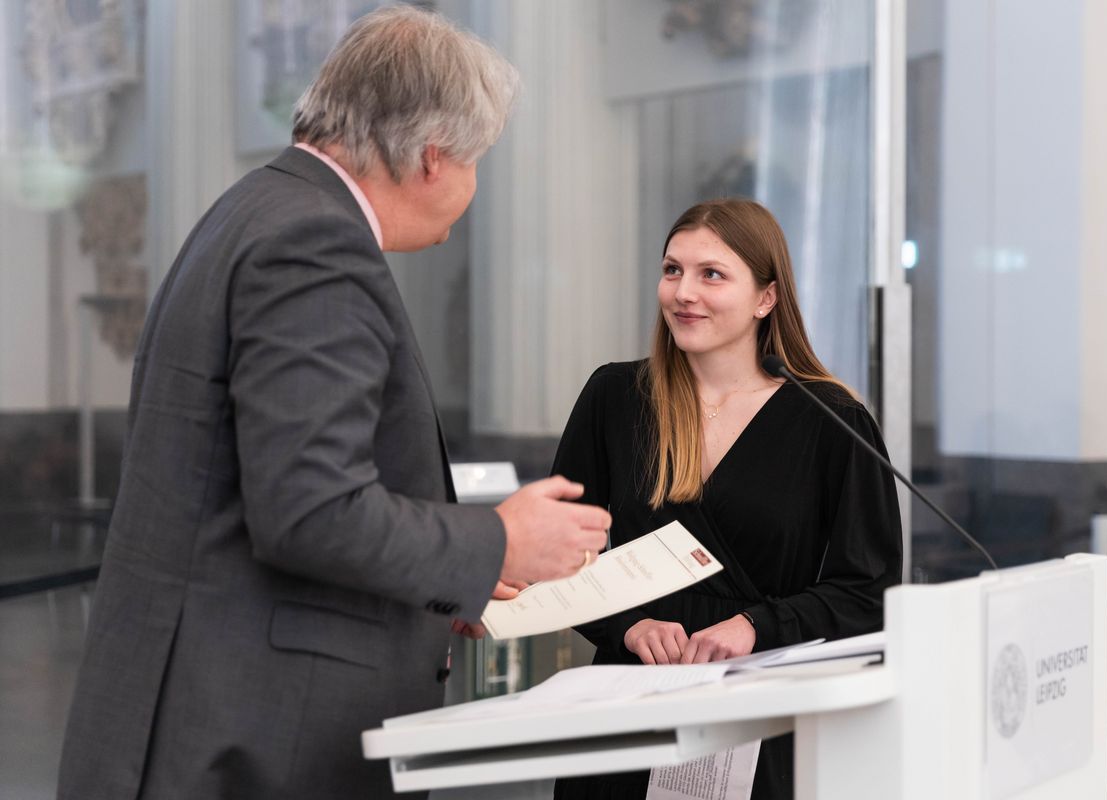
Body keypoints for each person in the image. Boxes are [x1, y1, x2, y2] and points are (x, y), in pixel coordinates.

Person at [57, 8, 609, 800]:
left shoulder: (257, 208)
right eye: (477, 160)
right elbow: (309, 508)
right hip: (255, 738)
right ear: (431, 157)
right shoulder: (314, 241)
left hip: (206, 711)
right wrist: (496, 541)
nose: (473, 186)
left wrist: (447, 580)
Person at [551, 198, 902, 799]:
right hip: (626, 704)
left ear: (766, 298)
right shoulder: (615, 396)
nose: (683, 292)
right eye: (672, 270)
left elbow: (867, 591)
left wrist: (754, 626)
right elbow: (558, 556)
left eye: (711, 274)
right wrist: (628, 625)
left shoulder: (830, 419)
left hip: (755, 711)